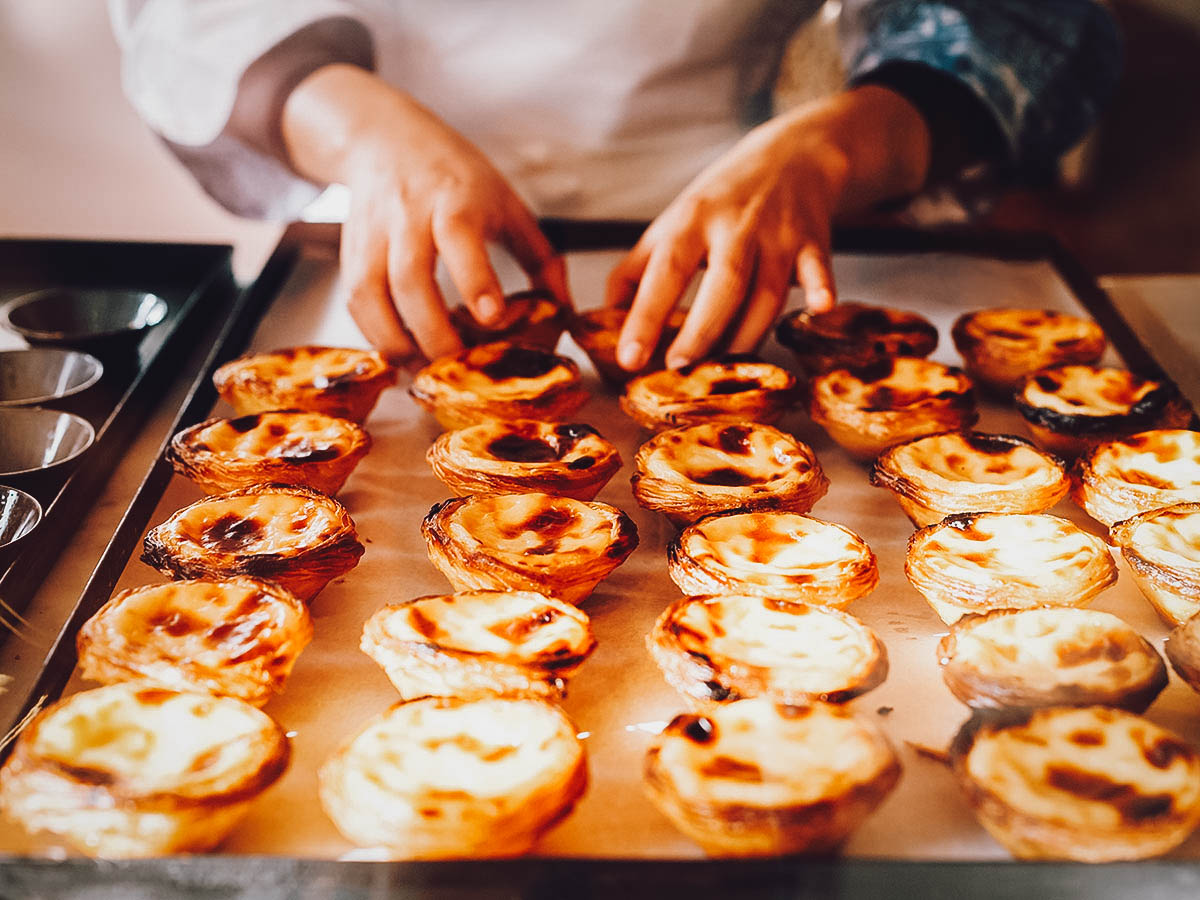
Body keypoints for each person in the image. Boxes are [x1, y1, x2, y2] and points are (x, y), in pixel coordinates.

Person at [110, 1, 1120, 371]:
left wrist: (834, 144)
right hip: (372, 229)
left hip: (727, 230)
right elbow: (186, 21)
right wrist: (364, 132)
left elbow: (1030, 21)